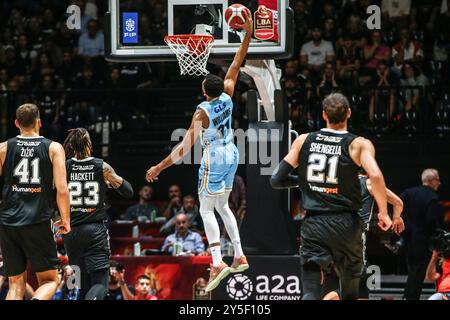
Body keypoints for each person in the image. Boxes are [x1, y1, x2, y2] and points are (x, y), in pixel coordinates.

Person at [146, 11, 253, 292]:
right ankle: (239, 255)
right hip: (232, 153)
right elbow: (237, 62)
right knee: (223, 206)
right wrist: (248, 33)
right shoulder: (228, 93)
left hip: (214, 157)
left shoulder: (202, 112)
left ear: (205, 91)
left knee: (207, 210)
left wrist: (158, 167)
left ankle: (218, 260)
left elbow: (183, 149)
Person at [270, 93, 392, 300]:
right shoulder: (358, 144)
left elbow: (276, 179)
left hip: (314, 222)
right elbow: (376, 175)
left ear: (324, 114)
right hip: (347, 224)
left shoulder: (303, 140)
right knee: (351, 292)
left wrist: (305, 180)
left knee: (310, 291)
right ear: (349, 113)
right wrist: (383, 212)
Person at [0, 103, 71, 300]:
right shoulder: (54, 148)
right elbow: (63, 190)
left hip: (9, 222)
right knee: (50, 280)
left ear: (16, 123)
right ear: (39, 122)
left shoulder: (3, 148)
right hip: (38, 220)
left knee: (15, 283)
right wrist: (65, 219)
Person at [62, 128, 134, 300]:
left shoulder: (64, 167)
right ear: (89, 145)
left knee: (84, 285)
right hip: (95, 230)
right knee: (100, 285)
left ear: (71, 146)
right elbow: (128, 191)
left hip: (71, 232)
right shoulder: (101, 166)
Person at [323, 170, 405, 300]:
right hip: (353, 235)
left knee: (360, 284)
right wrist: (396, 217)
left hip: (331, 234)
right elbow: (398, 202)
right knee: (350, 287)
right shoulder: (369, 183)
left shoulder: (336, 182)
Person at [401, 168, 445, 300]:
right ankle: (410, 298)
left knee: (413, 272)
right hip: (423, 241)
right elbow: (432, 221)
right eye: (438, 180)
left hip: (407, 239)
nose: (439, 183)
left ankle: (407, 297)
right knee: (418, 274)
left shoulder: (407, 193)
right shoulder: (432, 197)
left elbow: (400, 213)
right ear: (432, 181)